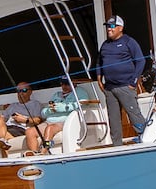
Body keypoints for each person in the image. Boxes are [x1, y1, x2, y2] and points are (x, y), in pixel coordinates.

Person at [97, 16, 146, 146]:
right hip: (109, 88)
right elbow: (99, 62)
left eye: (112, 26)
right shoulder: (105, 45)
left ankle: (146, 139)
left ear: (120, 28)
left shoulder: (129, 42)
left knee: (134, 115)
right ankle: (117, 146)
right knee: (113, 120)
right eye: (108, 26)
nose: (109, 29)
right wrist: (99, 78)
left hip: (126, 86)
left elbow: (141, 61)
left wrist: (133, 82)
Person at [25, 77, 85, 153]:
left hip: (64, 121)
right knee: (29, 131)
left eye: (67, 84)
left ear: (74, 83)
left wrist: (63, 108)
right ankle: (34, 153)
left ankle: (43, 152)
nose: (64, 86)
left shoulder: (79, 92)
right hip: (49, 121)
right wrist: (48, 110)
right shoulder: (57, 95)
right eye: (62, 84)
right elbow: (45, 111)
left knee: (50, 129)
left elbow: (83, 103)